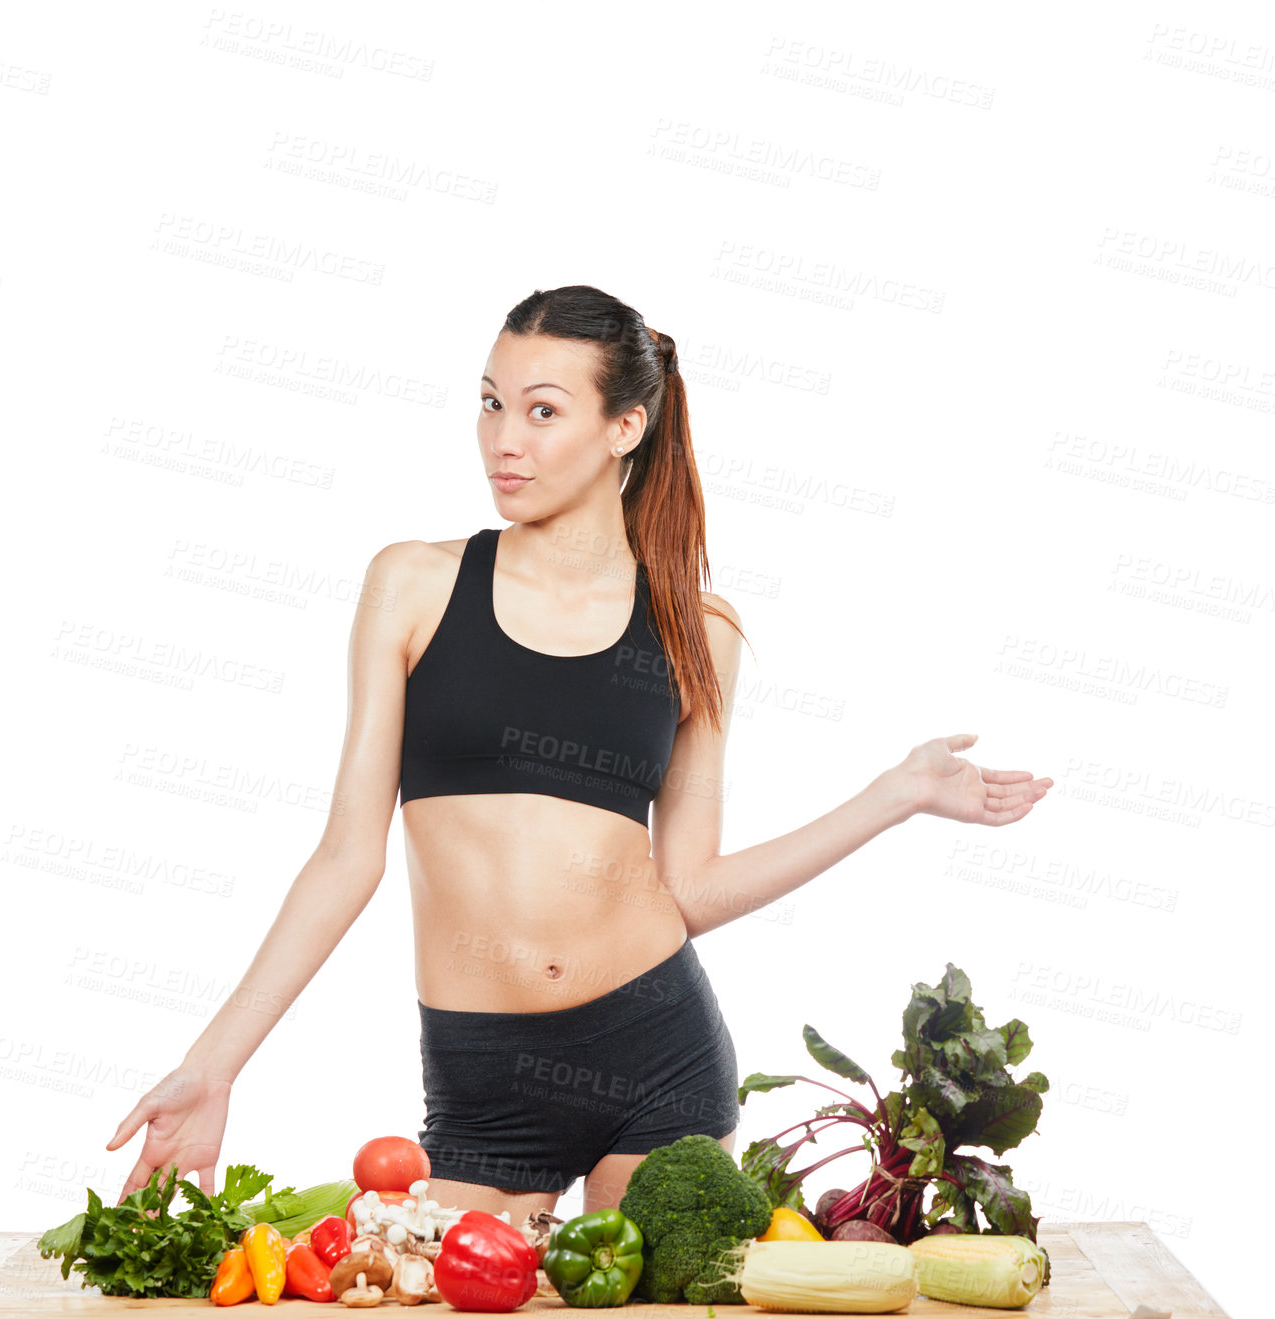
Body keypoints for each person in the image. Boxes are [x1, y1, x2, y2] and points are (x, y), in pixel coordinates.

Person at [105, 283, 1052, 1221]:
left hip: (656, 1053)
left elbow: (691, 889)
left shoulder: (695, 627)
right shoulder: (413, 586)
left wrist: (894, 794)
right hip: (482, 1078)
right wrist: (211, 1067)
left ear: (624, 427)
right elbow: (347, 855)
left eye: (541, 411)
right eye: (490, 403)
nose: (502, 439)